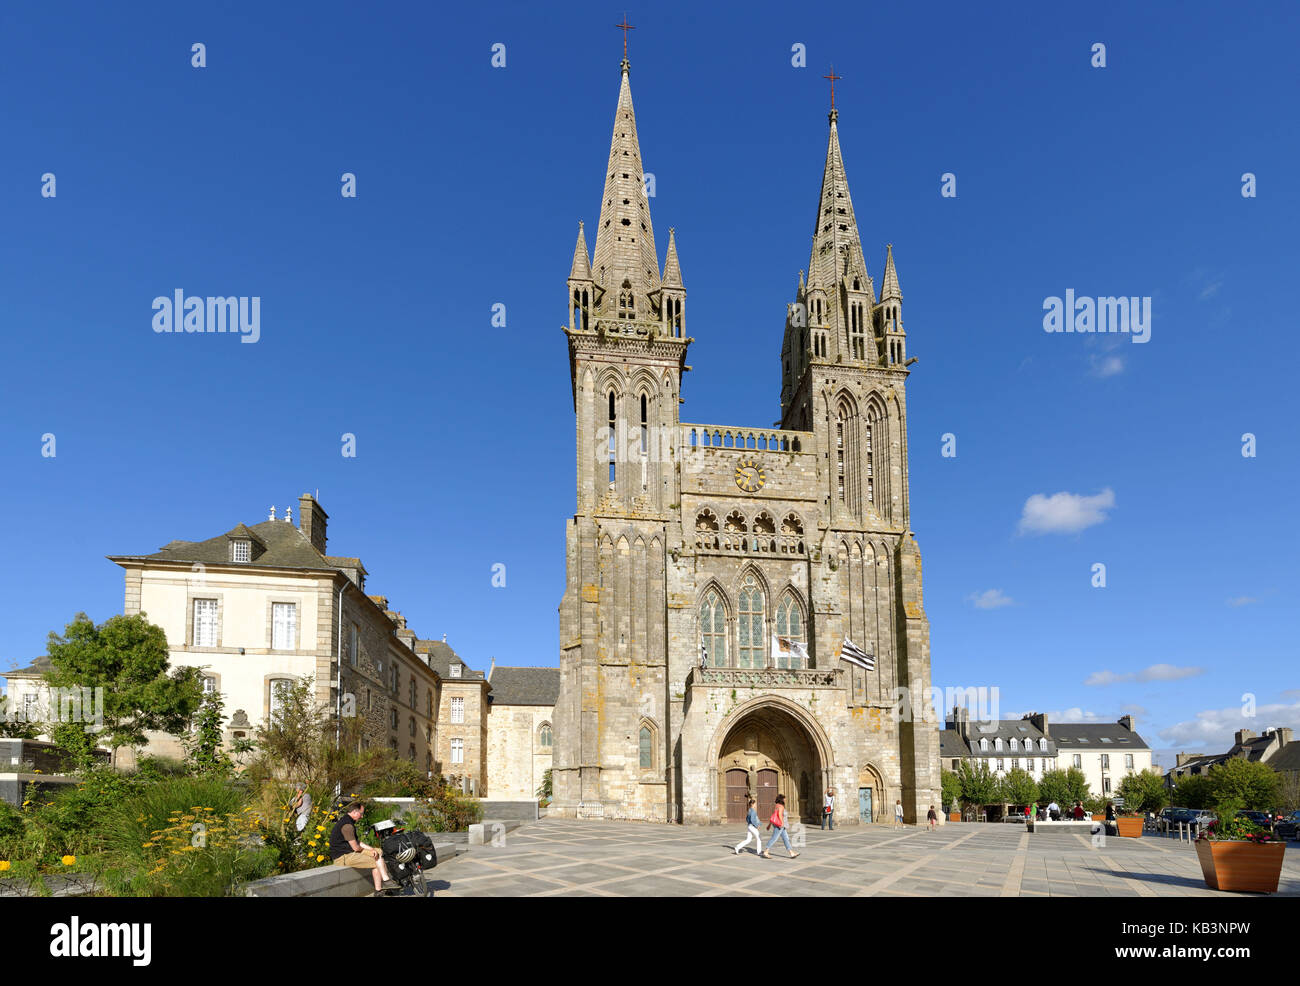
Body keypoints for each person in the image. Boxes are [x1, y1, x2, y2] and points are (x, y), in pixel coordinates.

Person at [329, 801, 393, 896]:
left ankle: (384, 884)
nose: (362, 816)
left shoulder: (348, 821)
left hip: (349, 852)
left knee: (378, 852)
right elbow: (356, 848)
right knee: (376, 861)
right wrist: (371, 853)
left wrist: (372, 849)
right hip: (342, 857)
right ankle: (383, 885)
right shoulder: (347, 826)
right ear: (355, 812)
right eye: (361, 814)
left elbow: (357, 842)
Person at [761, 794, 799, 858]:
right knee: (774, 838)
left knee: (785, 839)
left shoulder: (776, 805)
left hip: (778, 825)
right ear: (782, 799)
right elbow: (779, 815)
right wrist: (781, 823)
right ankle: (766, 852)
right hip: (780, 825)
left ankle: (791, 853)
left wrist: (769, 825)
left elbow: (774, 815)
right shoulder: (781, 806)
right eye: (784, 798)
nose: (785, 800)